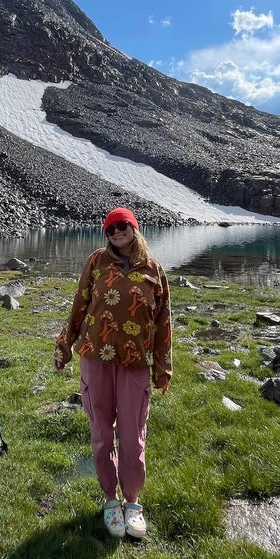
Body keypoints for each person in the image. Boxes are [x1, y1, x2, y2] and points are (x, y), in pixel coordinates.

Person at [54, 207, 172, 539]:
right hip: (96, 356)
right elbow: (79, 305)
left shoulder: (154, 270)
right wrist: (65, 345)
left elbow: (163, 322)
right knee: (102, 431)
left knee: (133, 436)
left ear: (135, 228)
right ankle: (110, 500)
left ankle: (132, 502)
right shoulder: (96, 262)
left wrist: (163, 367)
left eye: (122, 226)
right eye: (110, 229)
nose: (116, 232)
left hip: (135, 362)